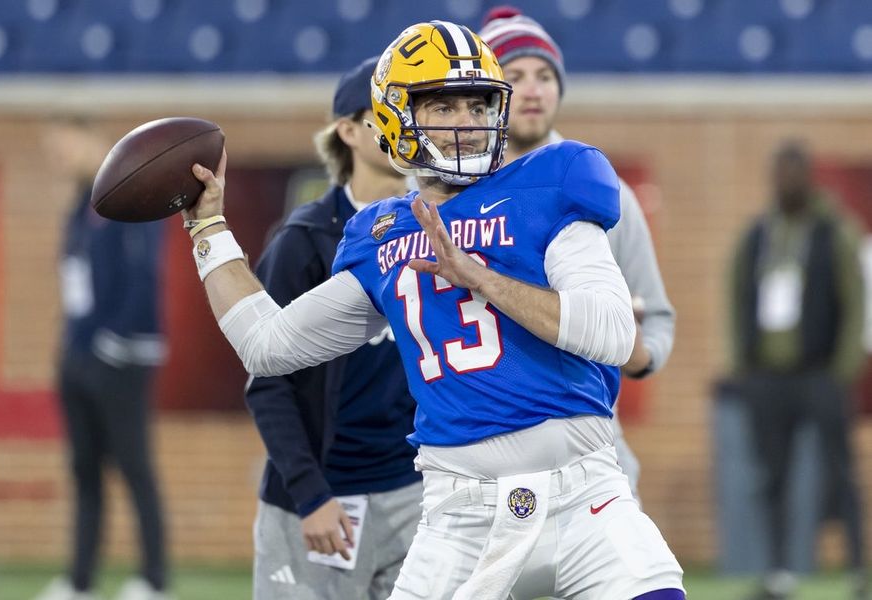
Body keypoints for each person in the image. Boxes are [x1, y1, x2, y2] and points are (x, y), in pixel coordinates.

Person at [182, 21, 684, 599]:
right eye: (444, 106)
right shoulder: (381, 233)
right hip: (461, 516)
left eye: (478, 104)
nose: (467, 122)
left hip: (585, 498)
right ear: (395, 118)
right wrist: (208, 229)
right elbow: (268, 347)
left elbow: (613, 333)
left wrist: (480, 276)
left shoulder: (552, 183)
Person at [479, 6, 676, 498]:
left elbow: (656, 316)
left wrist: (639, 353)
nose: (533, 90)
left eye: (545, 76)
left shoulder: (603, 190)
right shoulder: (449, 191)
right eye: (515, 76)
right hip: (479, 448)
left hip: (591, 444)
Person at [245, 57, 421, 600]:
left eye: (413, 109)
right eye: (388, 110)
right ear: (348, 130)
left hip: (418, 490)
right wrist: (310, 494)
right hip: (322, 500)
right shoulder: (302, 240)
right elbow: (267, 383)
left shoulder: (440, 227)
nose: (407, 123)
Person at [36, 120, 171, 600]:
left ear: (92, 139)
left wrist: (113, 341)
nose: (56, 157)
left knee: (134, 466)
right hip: (79, 355)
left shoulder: (130, 197)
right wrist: (72, 347)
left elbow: (143, 278)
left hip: (120, 357)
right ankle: (80, 581)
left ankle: (153, 580)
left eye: (62, 145)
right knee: (85, 470)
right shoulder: (80, 205)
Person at [728, 141, 868, 600]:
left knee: (839, 472)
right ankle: (779, 572)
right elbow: (737, 297)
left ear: (809, 178)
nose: (786, 183)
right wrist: (743, 366)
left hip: (820, 373)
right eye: (780, 174)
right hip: (769, 377)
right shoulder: (758, 235)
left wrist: (843, 369)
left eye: (794, 174)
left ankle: (856, 570)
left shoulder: (834, 232)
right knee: (774, 476)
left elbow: (855, 301)